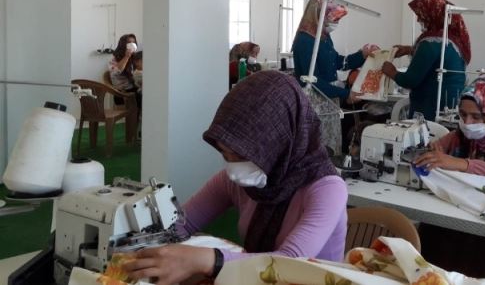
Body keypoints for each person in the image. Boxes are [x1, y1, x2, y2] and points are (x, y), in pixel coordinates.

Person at [123, 72, 348, 284]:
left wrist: (208, 259)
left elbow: (287, 263)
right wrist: (138, 246)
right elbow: (181, 224)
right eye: (225, 154)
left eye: (242, 155)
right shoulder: (240, 181)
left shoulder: (328, 189)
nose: (233, 166)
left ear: (278, 143)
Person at [414, 75, 485, 175]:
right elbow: (432, 153)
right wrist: (430, 153)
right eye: (463, 114)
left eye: (476, 117)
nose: (467, 123)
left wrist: (461, 164)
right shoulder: (456, 137)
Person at [382, 0, 471, 120]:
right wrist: (410, 50)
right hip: (451, 105)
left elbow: (410, 80)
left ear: (432, 15)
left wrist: (392, 72)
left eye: (421, 15)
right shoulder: (452, 40)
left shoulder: (429, 43)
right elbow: (438, 58)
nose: (418, 20)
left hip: (430, 108)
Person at [292, 0, 378, 103]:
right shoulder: (304, 40)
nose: (335, 22)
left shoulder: (324, 37)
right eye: (333, 18)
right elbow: (314, 81)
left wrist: (362, 55)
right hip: (313, 102)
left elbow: (337, 62)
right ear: (318, 15)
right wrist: (345, 94)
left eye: (337, 19)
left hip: (329, 99)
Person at [108, 34, 141, 108]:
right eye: (129, 42)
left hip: (134, 89)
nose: (132, 44)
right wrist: (126, 56)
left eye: (134, 42)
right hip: (123, 94)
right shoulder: (114, 59)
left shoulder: (134, 58)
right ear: (123, 44)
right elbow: (116, 71)